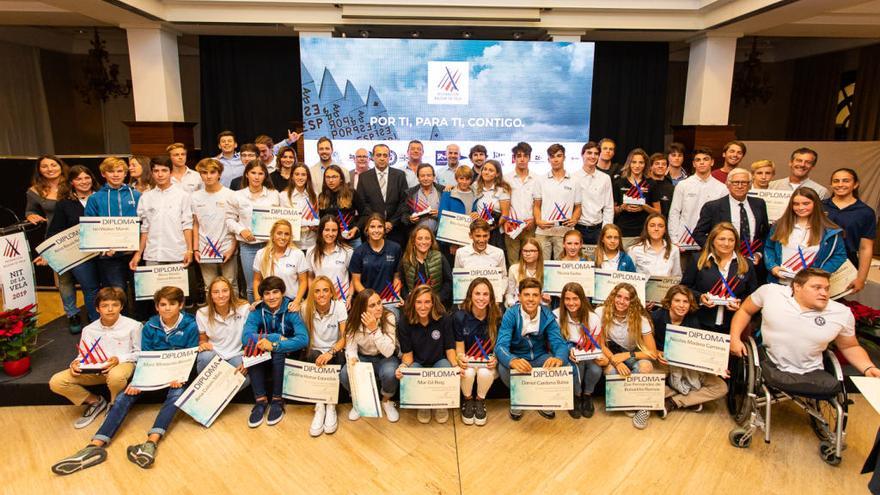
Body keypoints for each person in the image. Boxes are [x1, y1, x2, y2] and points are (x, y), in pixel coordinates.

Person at [50, 286, 198, 474]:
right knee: (123, 396)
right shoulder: (150, 326)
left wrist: (179, 377)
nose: (167, 308)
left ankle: (151, 443)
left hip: (177, 375)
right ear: (156, 307)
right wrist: (139, 381)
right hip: (152, 373)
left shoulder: (191, 325)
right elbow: (146, 357)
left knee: (177, 395)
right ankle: (94, 446)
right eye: (163, 304)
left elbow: (190, 356)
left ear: (181, 305)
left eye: (172, 304)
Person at [730, 267, 880, 382]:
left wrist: (868, 367)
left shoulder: (841, 313)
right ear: (797, 287)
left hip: (812, 371)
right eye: (817, 288)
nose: (824, 293)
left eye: (827, 288)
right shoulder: (771, 292)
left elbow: (850, 346)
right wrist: (735, 338)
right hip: (770, 364)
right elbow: (745, 310)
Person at [48, 287, 140, 429]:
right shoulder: (89, 329)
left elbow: (140, 353)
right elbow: (83, 355)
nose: (110, 309)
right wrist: (76, 363)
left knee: (115, 375)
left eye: (115, 305)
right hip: (95, 370)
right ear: (97, 309)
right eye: (105, 306)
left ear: (121, 306)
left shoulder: (134, 326)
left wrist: (118, 359)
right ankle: (95, 401)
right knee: (57, 381)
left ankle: (114, 404)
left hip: (122, 366)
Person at [495, 277, 570, 420]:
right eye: (526, 295)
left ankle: (541, 397)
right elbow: (501, 346)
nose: (531, 299)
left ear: (540, 297)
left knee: (559, 363)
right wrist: (512, 360)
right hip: (518, 355)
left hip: (539, 357)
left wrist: (559, 358)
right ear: (519, 296)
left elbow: (559, 344)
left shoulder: (547, 315)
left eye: (535, 295)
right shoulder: (510, 314)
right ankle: (519, 397)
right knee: (503, 367)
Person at [242, 276, 309, 428]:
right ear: (262, 296)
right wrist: (276, 337)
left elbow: (303, 339)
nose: (271, 297)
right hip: (265, 349)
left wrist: (274, 345)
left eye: (275, 292)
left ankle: (277, 400)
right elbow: (246, 338)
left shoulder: (291, 309)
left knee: (277, 351)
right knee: (252, 347)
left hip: (287, 352)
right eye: (267, 293)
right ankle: (260, 401)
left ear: (283, 292)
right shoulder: (257, 310)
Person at [651, 285, 728, 415]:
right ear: (669, 303)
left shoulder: (693, 320)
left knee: (721, 388)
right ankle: (689, 398)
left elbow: (698, 350)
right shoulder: (656, 317)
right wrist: (657, 353)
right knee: (645, 381)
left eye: (685, 301)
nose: (682, 305)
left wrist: (716, 366)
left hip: (687, 367)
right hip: (663, 364)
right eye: (677, 301)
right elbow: (644, 345)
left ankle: (674, 402)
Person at [594, 283, 659, 429]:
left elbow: (652, 353)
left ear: (633, 302)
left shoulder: (641, 319)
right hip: (612, 352)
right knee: (610, 371)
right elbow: (601, 344)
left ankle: (642, 406)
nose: (621, 301)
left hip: (632, 353)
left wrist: (627, 355)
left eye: (627, 298)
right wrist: (616, 361)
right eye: (619, 296)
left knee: (646, 366)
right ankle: (626, 401)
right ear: (613, 296)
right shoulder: (600, 312)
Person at [42, 165, 101, 323]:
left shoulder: (103, 197)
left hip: (105, 253)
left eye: (87, 177)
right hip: (79, 255)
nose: (84, 181)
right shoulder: (64, 204)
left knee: (107, 288)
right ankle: (95, 321)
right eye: (79, 179)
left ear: (92, 179)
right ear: (72, 183)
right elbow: (56, 230)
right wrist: (48, 254)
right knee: (91, 289)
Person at [26, 155, 79, 330]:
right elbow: (30, 210)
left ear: (60, 165)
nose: (50, 169)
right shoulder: (35, 191)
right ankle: (72, 315)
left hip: (79, 235)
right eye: (45, 166)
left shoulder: (74, 182)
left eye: (53, 164)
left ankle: (95, 313)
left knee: (88, 278)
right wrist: (30, 215)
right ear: (39, 170)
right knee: (64, 280)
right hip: (55, 239)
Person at [395, 285, 456, 424]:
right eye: (419, 302)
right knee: (412, 371)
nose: (423, 307)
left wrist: (456, 366)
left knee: (446, 368)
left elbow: (450, 349)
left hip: (439, 361)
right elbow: (408, 355)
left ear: (433, 302)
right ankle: (424, 404)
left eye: (427, 302)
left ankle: (441, 404)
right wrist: (403, 367)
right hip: (417, 362)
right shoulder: (405, 321)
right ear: (413, 303)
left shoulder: (444, 318)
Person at [683, 223, 758, 332]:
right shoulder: (698, 260)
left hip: (732, 325)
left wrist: (740, 303)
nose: (726, 243)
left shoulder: (747, 264)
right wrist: (700, 298)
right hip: (699, 323)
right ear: (712, 240)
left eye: (731, 240)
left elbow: (753, 295)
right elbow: (684, 288)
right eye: (722, 239)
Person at [340, 289, 401, 422]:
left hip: (384, 357)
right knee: (345, 373)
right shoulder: (352, 321)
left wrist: (374, 330)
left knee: (390, 373)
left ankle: (386, 401)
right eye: (372, 305)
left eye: (379, 303)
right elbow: (350, 349)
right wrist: (353, 361)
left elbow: (389, 351)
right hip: (363, 356)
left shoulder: (388, 316)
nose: (379, 307)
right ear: (362, 309)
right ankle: (359, 401)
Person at [764, 187, 846, 284]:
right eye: (796, 204)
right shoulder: (779, 225)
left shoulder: (830, 231)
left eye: (806, 203)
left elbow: (840, 255)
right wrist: (772, 266)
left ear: (816, 204)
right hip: (780, 283)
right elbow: (769, 247)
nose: (800, 207)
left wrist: (820, 274)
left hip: (810, 286)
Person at [693, 169, 770, 270]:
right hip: (722, 263)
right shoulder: (713, 207)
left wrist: (759, 253)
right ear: (727, 184)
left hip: (753, 264)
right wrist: (718, 252)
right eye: (735, 182)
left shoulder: (759, 204)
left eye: (744, 183)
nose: (739, 186)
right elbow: (698, 234)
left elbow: (765, 234)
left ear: (750, 185)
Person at [84, 157, 141, 293]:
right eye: (111, 171)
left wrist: (139, 249)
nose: (116, 175)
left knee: (139, 291)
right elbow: (90, 227)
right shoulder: (95, 198)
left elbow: (145, 223)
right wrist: (104, 246)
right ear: (103, 174)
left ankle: (138, 315)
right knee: (117, 292)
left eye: (120, 171)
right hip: (109, 256)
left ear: (125, 174)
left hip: (135, 252)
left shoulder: (137, 196)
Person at [300, 275, 347, 437]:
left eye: (325, 290)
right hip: (314, 352)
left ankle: (331, 404)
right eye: (317, 291)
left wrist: (330, 352)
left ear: (332, 293)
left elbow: (344, 338)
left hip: (334, 351)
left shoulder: (339, 306)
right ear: (312, 294)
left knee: (338, 357)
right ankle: (320, 405)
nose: (321, 295)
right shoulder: (305, 307)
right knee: (313, 355)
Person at [226, 160, 280, 302]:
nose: (257, 177)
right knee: (251, 287)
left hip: (270, 246)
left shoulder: (274, 194)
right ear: (246, 174)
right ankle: (255, 315)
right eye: (253, 173)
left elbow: (281, 218)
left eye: (260, 173)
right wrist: (241, 230)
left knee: (272, 284)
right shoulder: (237, 195)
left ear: (265, 176)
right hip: (248, 247)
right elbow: (229, 220)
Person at [129, 156, 193, 272]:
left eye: (164, 170)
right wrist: (138, 254)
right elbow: (145, 229)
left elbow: (187, 225)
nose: (160, 174)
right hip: (153, 254)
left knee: (178, 290)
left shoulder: (183, 196)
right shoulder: (146, 197)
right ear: (152, 173)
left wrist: (189, 250)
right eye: (156, 171)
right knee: (155, 290)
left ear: (170, 172)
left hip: (178, 253)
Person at [454, 277, 501, 426]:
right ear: (470, 295)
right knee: (467, 372)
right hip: (469, 361)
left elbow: (500, 346)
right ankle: (468, 401)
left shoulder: (497, 317)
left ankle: (480, 400)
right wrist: (460, 358)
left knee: (484, 373)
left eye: (485, 294)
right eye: (477, 293)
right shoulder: (460, 317)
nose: (481, 298)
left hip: (487, 363)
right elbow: (459, 348)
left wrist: (496, 358)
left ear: (491, 297)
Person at [823, 168, 876, 294]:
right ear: (831, 184)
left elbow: (865, 248)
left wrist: (861, 278)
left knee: (838, 305)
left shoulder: (865, 212)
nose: (840, 184)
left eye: (846, 181)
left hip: (846, 264)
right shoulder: (819, 206)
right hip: (818, 261)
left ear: (855, 184)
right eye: (836, 181)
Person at [554, 282, 602, 419]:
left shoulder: (593, 318)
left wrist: (595, 354)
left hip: (587, 350)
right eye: (567, 299)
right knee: (577, 366)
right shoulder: (556, 316)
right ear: (563, 300)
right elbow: (554, 342)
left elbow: (596, 343)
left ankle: (587, 395)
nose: (571, 303)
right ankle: (576, 396)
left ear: (582, 299)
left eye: (575, 298)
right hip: (566, 349)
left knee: (596, 370)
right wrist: (568, 351)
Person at [191, 158, 238, 295]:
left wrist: (233, 248)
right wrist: (195, 249)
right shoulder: (195, 196)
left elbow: (235, 223)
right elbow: (195, 223)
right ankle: (211, 316)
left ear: (219, 174)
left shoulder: (231, 195)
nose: (209, 176)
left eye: (212, 172)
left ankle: (234, 315)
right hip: (205, 248)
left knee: (231, 284)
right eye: (204, 172)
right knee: (209, 286)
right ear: (200, 175)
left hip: (227, 247)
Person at [668, 146, 728, 251]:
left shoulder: (722, 188)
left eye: (705, 159)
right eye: (698, 160)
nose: (701, 162)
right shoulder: (683, 185)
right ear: (693, 164)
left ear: (712, 162)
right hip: (684, 241)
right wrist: (674, 240)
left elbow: (723, 219)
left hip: (711, 242)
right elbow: (674, 212)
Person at [195, 277, 249, 391]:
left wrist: (247, 360)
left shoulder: (244, 308)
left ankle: (216, 394)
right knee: (204, 356)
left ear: (231, 292)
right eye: (216, 292)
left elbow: (251, 338)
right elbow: (202, 339)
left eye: (225, 291)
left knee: (248, 375)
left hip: (236, 355)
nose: (221, 295)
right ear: (210, 295)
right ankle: (209, 391)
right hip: (215, 354)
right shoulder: (202, 313)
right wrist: (203, 344)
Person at [533, 143, 582, 260]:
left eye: (559, 156)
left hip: (564, 233)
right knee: (541, 268)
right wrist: (538, 221)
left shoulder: (575, 181)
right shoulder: (540, 180)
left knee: (561, 268)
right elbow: (536, 206)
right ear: (548, 159)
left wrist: (574, 219)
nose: (555, 159)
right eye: (552, 156)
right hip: (543, 232)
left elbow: (578, 207)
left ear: (564, 157)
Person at [356, 143, 409, 245]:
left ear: (389, 157)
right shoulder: (364, 177)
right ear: (373, 157)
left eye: (385, 155)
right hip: (372, 230)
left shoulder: (399, 175)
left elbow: (404, 202)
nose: (382, 158)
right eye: (378, 155)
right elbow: (362, 204)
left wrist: (392, 223)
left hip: (395, 230)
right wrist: (377, 223)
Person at [252, 220, 308, 312]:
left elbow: (303, 281)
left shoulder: (298, 254)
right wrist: (258, 300)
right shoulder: (260, 254)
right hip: (269, 303)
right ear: (272, 235)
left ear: (290, 237)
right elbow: (257, 280)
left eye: (286, 234)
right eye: (279, 233)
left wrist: (297, 301)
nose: (283, 237)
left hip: (291, 303)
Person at [350, 213, 403, 309]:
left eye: (380, 227)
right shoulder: (359, 252)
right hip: (367, 301)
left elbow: (397, 276)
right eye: (372, 227)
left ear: (384, 230)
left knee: (392, 321)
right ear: (367, 229)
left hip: (388, 300)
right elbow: (356, 281)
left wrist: (396, 294)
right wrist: (371, 298)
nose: (376, 230)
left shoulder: (395, 248)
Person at [613, 148, 661, 239]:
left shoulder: (651, 183)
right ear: (629, 163)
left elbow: (658, 212)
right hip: (622, 230)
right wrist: (623, 207)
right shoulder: (619, 183)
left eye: (641, 162)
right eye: (634, 162)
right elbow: (612, 211)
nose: (637, 166)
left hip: (643, 231)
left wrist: (644, 206)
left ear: (645, 164)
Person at [573, 141, 614, 246]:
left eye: (596, 153)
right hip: (578, 228)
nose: (592, 156)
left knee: (599, 261)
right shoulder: (573, 178)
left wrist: (606, 230)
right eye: (589, 153)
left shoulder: (605, 178)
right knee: (579, 261)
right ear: (582, 155)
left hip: (598, 229)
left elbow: (609, 207)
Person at [307, 215, 354, 305]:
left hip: (341, 302)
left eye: (334, 230)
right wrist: (312, 295)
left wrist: (349, 297)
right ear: (321, 231)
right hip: (320, 301)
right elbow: (310, 276)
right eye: (327, 230)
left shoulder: (347, 251)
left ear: (338, 232)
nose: (330, 234)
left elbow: (354, 278)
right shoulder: (311, 251)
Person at [399, 225, 452, 305]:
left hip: (436, 304)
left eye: (427, 238)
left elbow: (448, 282)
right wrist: (408, 298)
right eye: (420, 238)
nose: (423, 242)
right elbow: (402, 283)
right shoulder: (406, 259)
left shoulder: (439, 257)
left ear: (431, 242)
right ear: (413, 241)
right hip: (414, 305)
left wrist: (437, 299)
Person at [504, 142, 537, 263]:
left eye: (525, 156)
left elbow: (539, 204)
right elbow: (501, 204)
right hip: (512, 227)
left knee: (530, 262)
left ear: (529, 158)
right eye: (519, 156)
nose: (522, 159)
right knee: (513, 263)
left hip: (530, 227)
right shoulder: (505, 178)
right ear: (514, 158)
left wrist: (534, 220)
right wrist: (506, 220)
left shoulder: (537, 179)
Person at [471, 159, 512, 252]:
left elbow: (505, 215)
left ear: (497, 174)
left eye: (491, 170)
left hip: (495, 232)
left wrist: (492, 227)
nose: (486, 172)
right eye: (484, 169)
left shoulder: (502, 189)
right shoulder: (475, 186)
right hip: (478, 230)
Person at [628, 213, 682, 279]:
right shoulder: (634, 250)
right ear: (646, 228)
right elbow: (629, 278)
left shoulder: (674, 249)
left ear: (665, 230)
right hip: (643, 288)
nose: (656, 229)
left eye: (660, 226)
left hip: (666, 289)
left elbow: (676, 277)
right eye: (652, 225)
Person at [318, 164, 360, 248]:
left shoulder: (351, 193)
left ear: (341, 179)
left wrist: (356, 228)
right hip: (331, 240)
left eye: (334, 177)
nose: (330, 180)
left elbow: (365, 214)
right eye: (328, 177)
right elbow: (322, 219)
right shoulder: (322, 196)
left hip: (351, 239)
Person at [279, 162, 319, 251]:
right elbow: (281, 221)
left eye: (303, 175)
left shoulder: (315, 196)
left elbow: (317, 218)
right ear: (292, 176)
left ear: (307, 177)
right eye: (297, 174)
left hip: (312, 244)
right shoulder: (283, 196)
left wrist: (316, 226)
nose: (300, 177)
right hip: (292, 245)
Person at [505, 237, 548, 308]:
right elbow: (510, 293)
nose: (528, 254)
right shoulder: (514, 269)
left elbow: (547, 296)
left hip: (540, 307)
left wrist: (545, 301)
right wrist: (512, 305)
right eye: (525, 251)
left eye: (532, 251)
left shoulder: (547, 269)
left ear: (539, 252)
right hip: (518, 307)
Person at [399, 164, 443, 233]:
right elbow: (403, 215)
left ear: (434, 177)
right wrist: (410, 219)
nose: (425, 178)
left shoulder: (442, 191)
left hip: (438, 237)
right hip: (416, 238)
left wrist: (440, 214)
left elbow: (450, 213)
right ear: (418, 178)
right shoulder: (409, 193)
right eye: (422, 176)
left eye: (429, 175)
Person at [648, 152, 675, 220]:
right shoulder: (644, 184)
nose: (660, 166)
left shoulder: (671, 187)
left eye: (663, 164)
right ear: (651, 167)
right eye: (657, 163)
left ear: (667, 167)